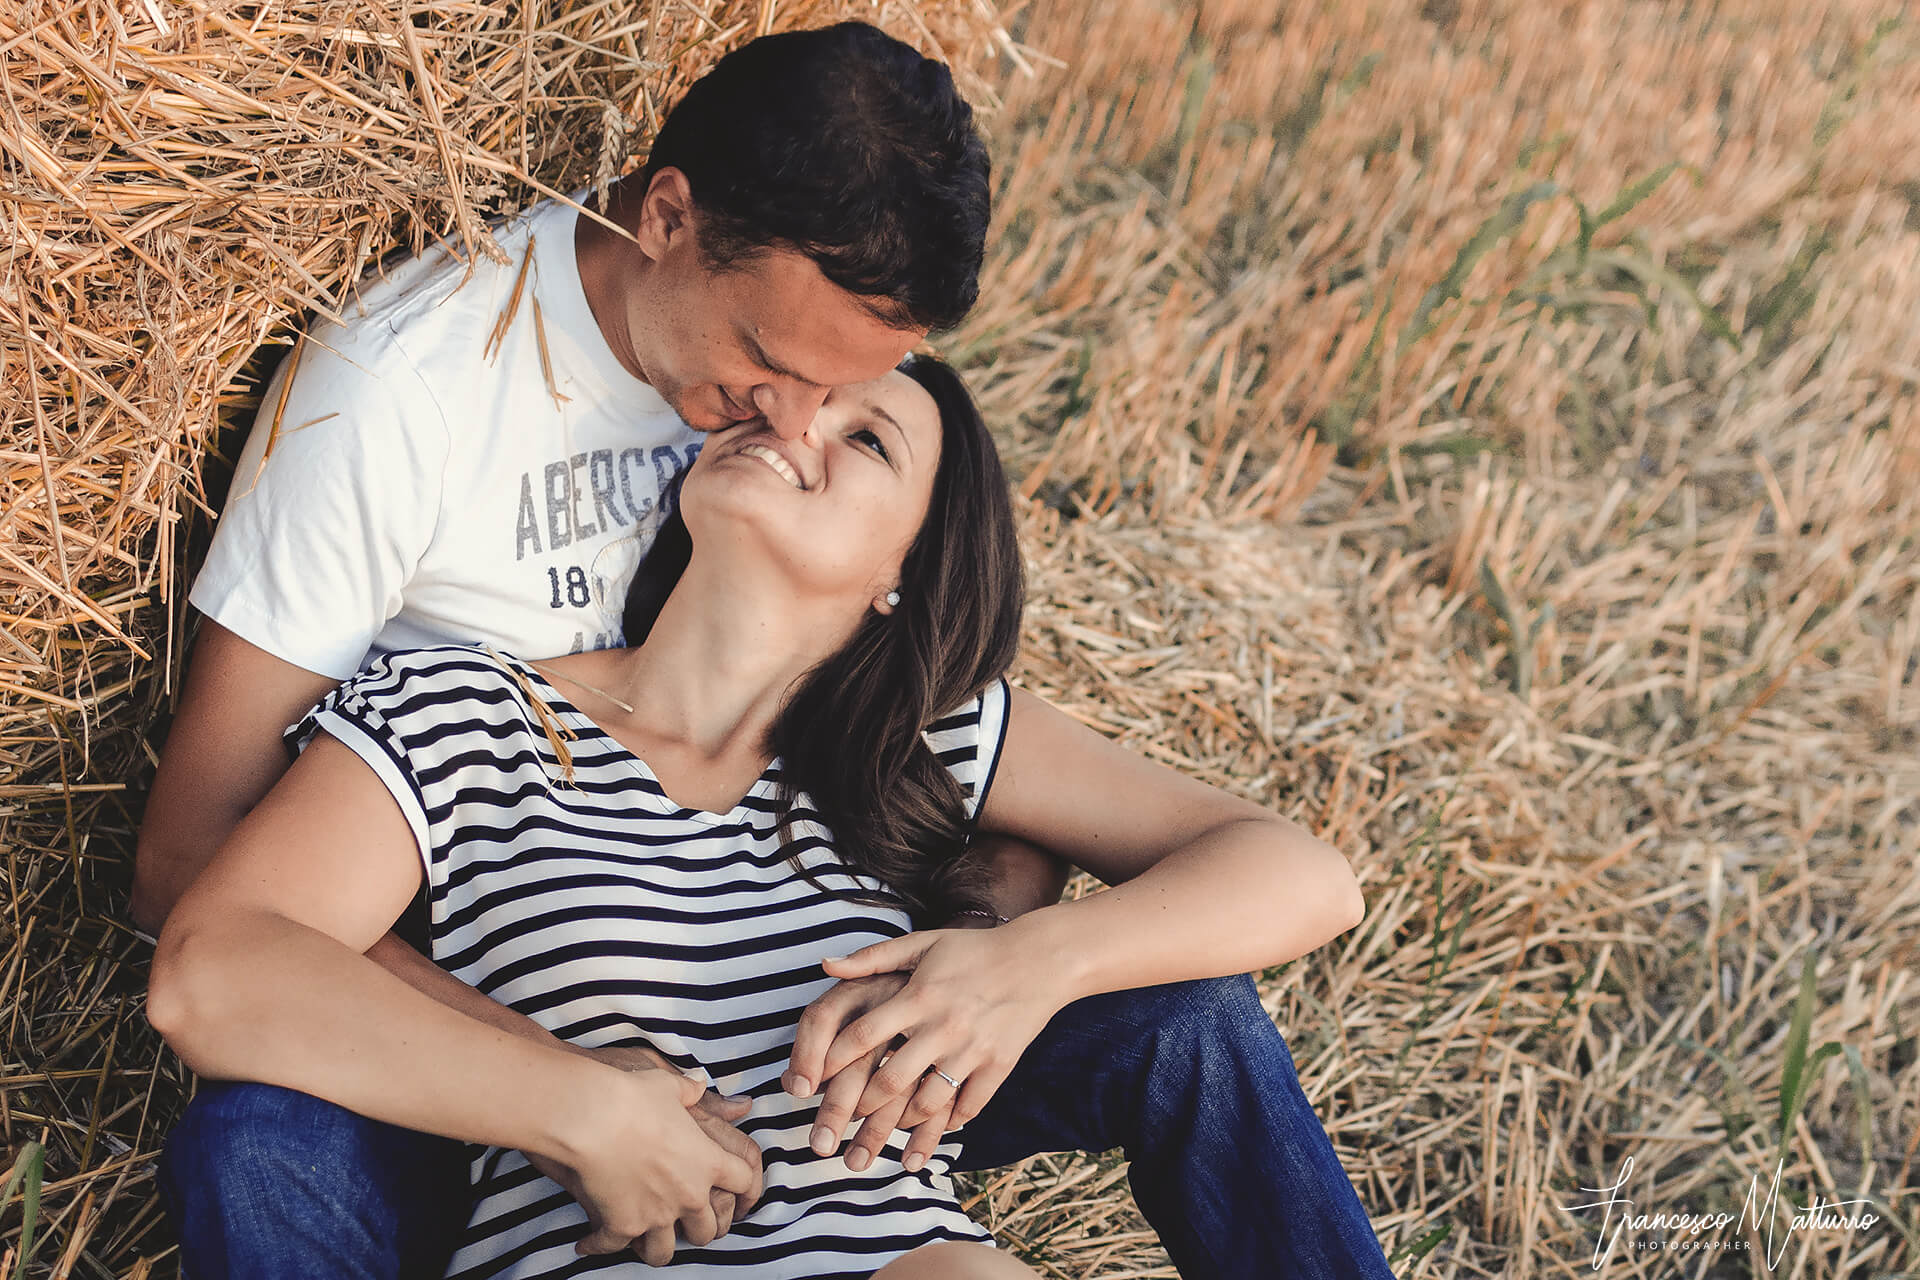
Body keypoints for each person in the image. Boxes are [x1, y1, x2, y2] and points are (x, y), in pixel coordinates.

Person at [138, 21, 1399, 1280]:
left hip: (845, 1121)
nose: (791, 418)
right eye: (772, 366)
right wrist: (562, 1085)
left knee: (1195, 1015)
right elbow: (202, 891)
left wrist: (1014, 955)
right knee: (262, 1138)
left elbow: (1282, 868)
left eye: (861, 408)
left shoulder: (890, 707)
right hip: (484, 1012)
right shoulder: (411, 443)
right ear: (668, 217)